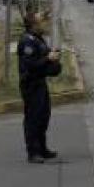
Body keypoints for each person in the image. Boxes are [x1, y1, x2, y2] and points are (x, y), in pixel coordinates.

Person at [18, 11, 62, 163]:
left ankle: (42, 148)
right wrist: (47, 58)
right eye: (41, 22)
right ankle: (33, 152)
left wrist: (53, 56)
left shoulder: (38, 39)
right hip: (31, 84)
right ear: (33, 25)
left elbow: (43, 58)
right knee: (33, 118)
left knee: (44, 116)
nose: (44, 24)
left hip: (40, 83)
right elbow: (30, 65)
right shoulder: (27, 41)